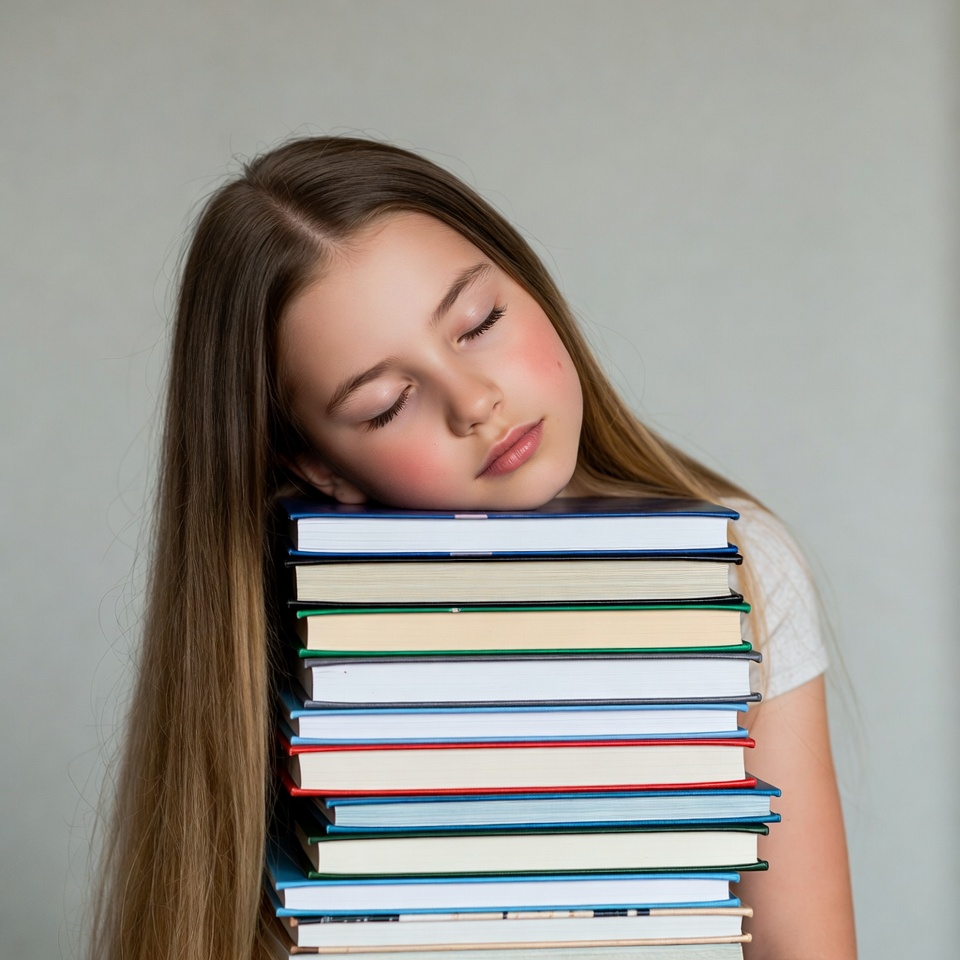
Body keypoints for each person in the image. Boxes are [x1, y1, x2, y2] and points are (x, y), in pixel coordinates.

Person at [91, 136, 856, 960]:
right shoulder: (284, 639)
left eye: (479, 321)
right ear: (317, 465)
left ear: (529, 285)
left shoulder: (740, 566)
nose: (475, 402)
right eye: (385, 404)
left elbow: (803, 944)